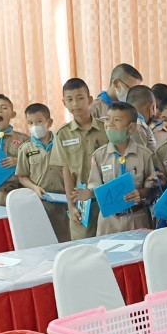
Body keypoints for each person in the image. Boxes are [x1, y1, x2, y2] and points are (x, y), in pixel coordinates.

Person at [88, 101, 161, 235]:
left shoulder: (145, 154)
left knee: (139, 254)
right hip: (109, 221)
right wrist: (88, 194)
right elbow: (94, 187)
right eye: (107, 119)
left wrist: (142, 193)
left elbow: (155, 186)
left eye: (117, 120)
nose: (110, 124)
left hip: (137, 218)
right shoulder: (99, 156)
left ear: (131, 127)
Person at [56, 78, 108, 239]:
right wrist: (71, 205)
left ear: (90, 100)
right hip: (81, 201)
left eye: (80, 98)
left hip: (105, 197)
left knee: (110, 245)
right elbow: (66, 171)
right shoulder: (62, 134)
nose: (75, 104)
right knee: (83, 247)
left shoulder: (106, 128)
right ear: (64, 102)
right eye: (70, 100)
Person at [15, 102, 69, 242]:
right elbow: (22, 176)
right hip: (41, 201)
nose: (35, 126)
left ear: (49, 122)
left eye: (39, 121)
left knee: (66, 238)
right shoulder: (25, 149)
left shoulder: (62, 143)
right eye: (30, 123)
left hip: (64, 201)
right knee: (43, 239)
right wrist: (34, 188)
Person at [125, 84, 160, 151]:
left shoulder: (124, 121)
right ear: (152, 107)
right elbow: (139, 157)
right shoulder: (137, 126)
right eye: (156, 107)